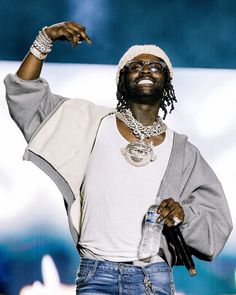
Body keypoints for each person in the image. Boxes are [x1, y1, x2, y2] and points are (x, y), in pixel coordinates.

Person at [4, 21, 232, 295]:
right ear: (122, 80)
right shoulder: (89, 123)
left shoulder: (182, 151)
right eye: (135, 66)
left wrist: (184, 215)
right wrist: (44, 40)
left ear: (167, 81)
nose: (146, 69)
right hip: (96, 274)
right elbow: (23, 94)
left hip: (152, 276)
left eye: (156, 66)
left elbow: (217, 221)